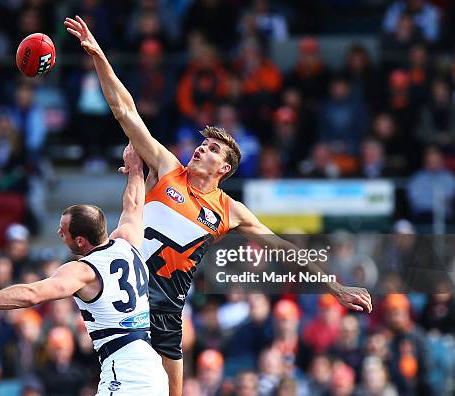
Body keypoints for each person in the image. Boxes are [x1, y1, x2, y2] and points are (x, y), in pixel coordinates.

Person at [64, 15, 373, 396]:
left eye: (212, 149)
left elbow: (287, 251)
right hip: (132, 299)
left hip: (169, 311)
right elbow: (126, 112)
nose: (201, 148)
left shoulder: (230, 210)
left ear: (224, 168)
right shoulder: (167, 168)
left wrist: (335, 287)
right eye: (203, 144)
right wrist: (99, 57)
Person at [0, 144, 169, 396]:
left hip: (124, 369)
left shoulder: (83, 271)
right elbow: (134, 204)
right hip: (151, 364)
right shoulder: (127, 242)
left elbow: (31, 294)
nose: (58, 233)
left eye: (64, 230)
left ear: (80, 241)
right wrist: (135, 168)